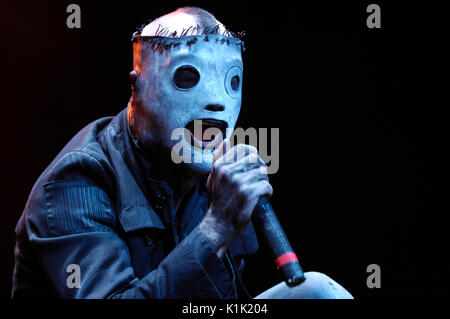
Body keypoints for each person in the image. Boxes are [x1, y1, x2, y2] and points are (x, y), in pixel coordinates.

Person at [11, 7, 353, 299]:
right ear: (137, 87)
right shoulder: (76, 181)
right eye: (187, 76)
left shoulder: (211, 177)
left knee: (316, 292)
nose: (217, 101)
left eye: (232, 81)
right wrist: (217, 227)